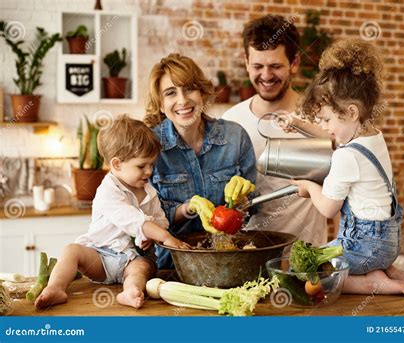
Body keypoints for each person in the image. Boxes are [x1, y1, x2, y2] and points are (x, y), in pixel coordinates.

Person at [291, 38, 404, 295]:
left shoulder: (346, 156)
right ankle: (386, 269)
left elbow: (328, 208)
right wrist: (299, 124)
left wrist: (308, 186)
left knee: (304, 272)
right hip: (388, 244)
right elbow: (333, 134)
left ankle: (372, 283)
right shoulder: (373, 138)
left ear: (351, 113)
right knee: (323, 258)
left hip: (363, 247)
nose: (325, 127)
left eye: (326, 119)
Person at [35, 116, 190, 310]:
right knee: (71, 250)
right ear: (117, 164)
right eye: (142, 166)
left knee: (143, 268)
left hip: (133, 258)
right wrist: (166, 237)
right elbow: (133, 220)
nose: (149, 171)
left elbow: (160, 221)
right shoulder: (108, 191)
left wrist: (154, 235)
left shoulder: (149, 191)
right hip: (100, 256)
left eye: (152, 164)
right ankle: (56, 288)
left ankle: (131, 291)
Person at [222, 15, 328, 247]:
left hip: (307, 256)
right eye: (258, 66)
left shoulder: (322, 119)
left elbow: (341, 182)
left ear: (295, 63)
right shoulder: (230, 122)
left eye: (276, 66)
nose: (266, 76)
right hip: (250, 255)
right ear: (246, 62)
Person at [144, 53, 256, 269]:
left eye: (189, 89)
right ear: (160, 104)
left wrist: (244, 199)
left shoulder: (235, 137)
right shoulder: (150, 146)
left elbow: (254, 208)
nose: (183, 100)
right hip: (171, 265)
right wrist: (187, 208)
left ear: (202, 93)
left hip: (228, 259)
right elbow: (145, 218)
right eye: (170, 93)